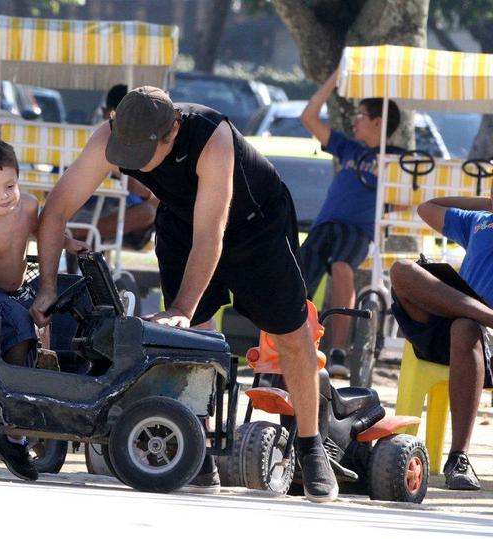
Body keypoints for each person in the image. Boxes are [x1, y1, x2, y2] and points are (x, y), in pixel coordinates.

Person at [30, 86, 339, 502]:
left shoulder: (213, 139)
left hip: (255, 225)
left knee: (291, 335)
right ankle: (200, 448)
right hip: (179, 220)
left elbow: (211, 233)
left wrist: (180, 308)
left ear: (172, 129)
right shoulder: (110, 137)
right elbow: (56, 209)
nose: (129, 161)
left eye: (142, 152)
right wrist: (48, 286)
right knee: (193, 338)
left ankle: (310, 444)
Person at [0, 139, 88, 482]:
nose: (4, 196)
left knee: (42, 325)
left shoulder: (27, 206)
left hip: (17, 290)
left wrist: (69, 243)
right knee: (21, 324)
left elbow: (43, 231)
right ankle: (8, 410)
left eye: (10, 185)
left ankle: (15, 400)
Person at [299, 68, 401, 378]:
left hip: (359, 230)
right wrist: (334, 79)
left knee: (343, 267)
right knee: (299, 278)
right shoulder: (348, 148)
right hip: (325, 225)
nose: (355, 120)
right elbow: (309, 117)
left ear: (378, 123)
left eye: (361, 115)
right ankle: (292, 345)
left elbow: (406, 200)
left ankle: (338, 350)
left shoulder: (397, 160)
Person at [390, 190, 493, 491]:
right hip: (446, 324)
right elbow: (427, 208)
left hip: (479, 341)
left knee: (464, 327)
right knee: (403, 270)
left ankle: (458, 457)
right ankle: (487, 315)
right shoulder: (478, 220)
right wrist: (486, 203)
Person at [73, 84, 157, 249]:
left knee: (153, 207)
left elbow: (144, 192)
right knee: (149, 211)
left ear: (105, 110)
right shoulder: (92, 140)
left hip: (115, 211)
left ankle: (81, 234)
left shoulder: (76, 140)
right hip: (86, 209)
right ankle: (83, 234)